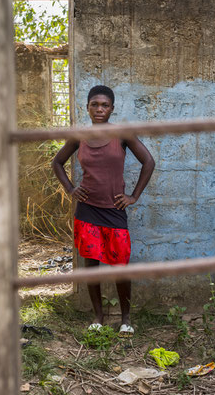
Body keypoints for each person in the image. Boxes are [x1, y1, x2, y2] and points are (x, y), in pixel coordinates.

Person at [51, 85, 155, 337]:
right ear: (87, 107)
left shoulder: (122, 134)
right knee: (91, 263)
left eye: (104, 105)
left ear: (112, 108)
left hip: (114, 209)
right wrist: (71, 189)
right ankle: (98, 316)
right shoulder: (80, 135)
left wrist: (133, 196)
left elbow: (148, 162)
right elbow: (57, 162)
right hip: (87, 209)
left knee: (121, 264)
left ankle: (126, 319)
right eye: (94, 104)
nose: (99, 109)